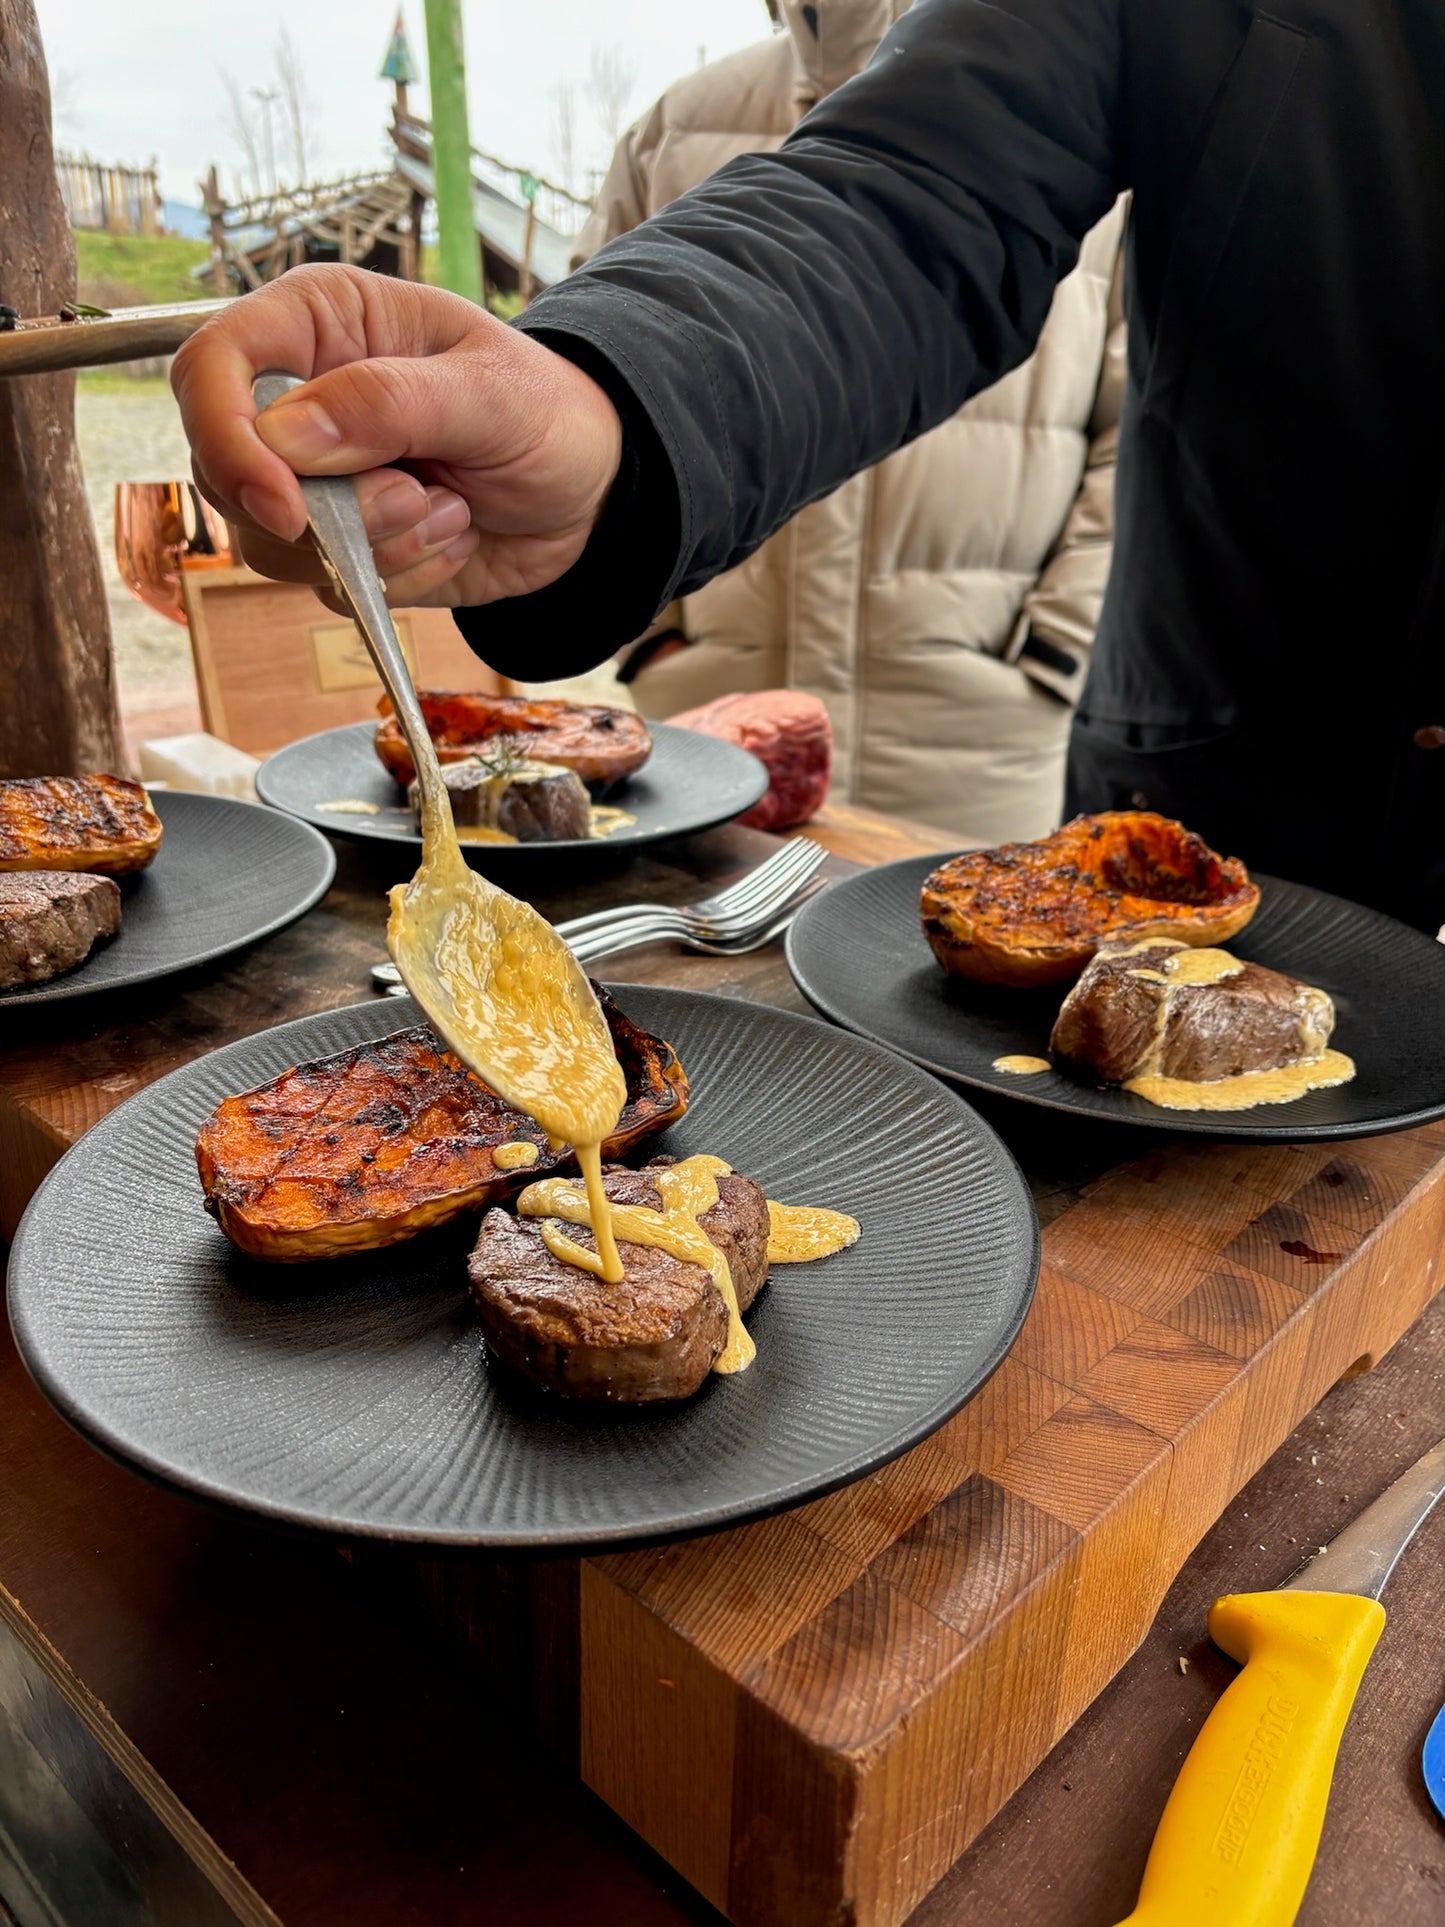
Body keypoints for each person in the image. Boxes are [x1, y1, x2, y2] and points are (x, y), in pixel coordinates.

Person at [172, 0, 1445, 932]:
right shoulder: (685, 117)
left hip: (993, 742)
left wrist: (1039, 656)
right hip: (1211, 824)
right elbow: (915, 192)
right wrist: (604, 416)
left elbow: (1111, 427)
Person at [572, 0, 1127, 843]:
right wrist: (649, 639)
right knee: (683, 930)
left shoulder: (1082, 140)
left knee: (965, 924)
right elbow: (592, 391)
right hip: (706, 726)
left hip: (976, 741)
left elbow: (1136, 434)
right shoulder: (676, 127)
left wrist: (1054, 652)